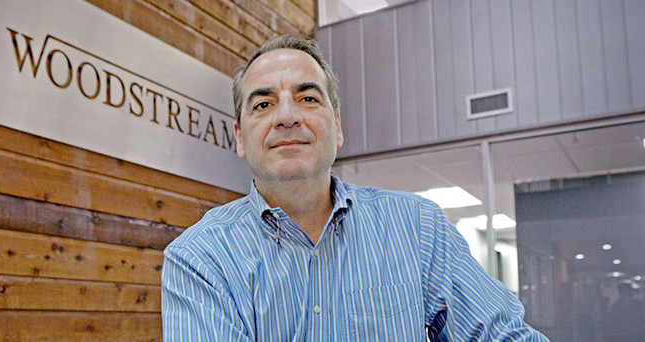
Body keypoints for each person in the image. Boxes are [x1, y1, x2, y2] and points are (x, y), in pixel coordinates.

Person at [161, 34, 548, 341]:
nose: (287, 116)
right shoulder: (200, 259)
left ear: (338, 126)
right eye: (262, 105)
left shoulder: (417, 228)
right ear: (240, 138)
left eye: (307, 98)